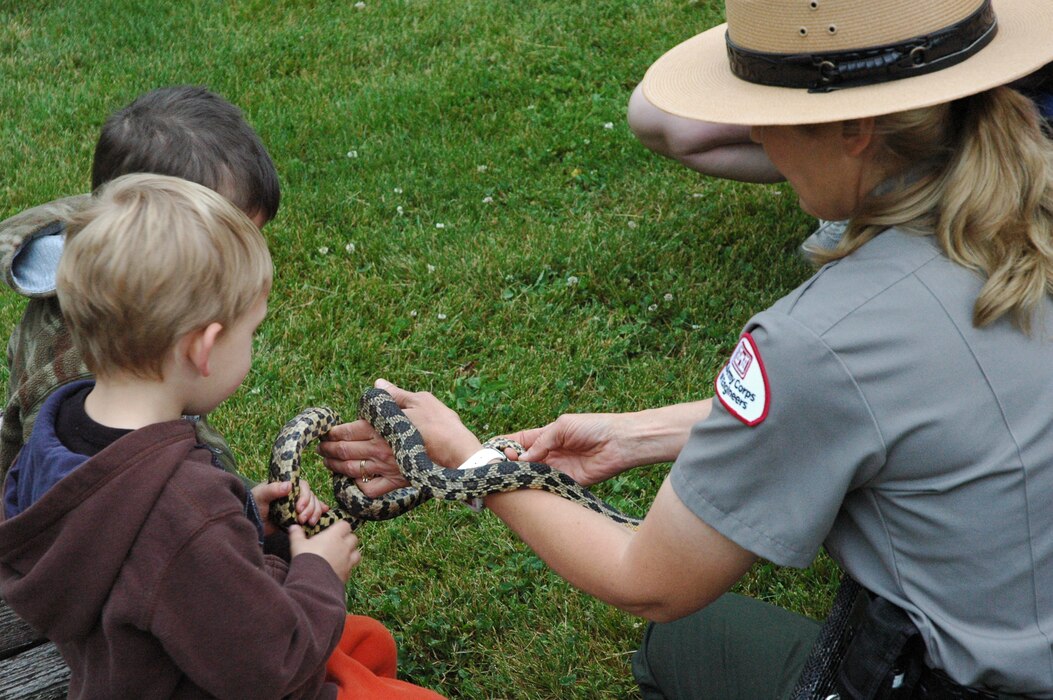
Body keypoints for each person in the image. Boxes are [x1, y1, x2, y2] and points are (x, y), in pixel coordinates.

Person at [319, 0, 1053, 696]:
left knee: (684, 642)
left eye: (768, 117)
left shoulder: (816, 340)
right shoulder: (1021, 223)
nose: (759, 140)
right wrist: (633, 435)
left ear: (853, 127)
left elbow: (653, 581)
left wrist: (468, 460)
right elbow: (886, 401)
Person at [0, 174, 444, 699]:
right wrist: (319, 573)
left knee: (367, 641)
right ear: (203, 348)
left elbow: (150, 560)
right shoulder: (187, 509)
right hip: (233, 678)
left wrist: (244, 518)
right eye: (251, 331)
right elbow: (270, 667)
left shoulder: (54, 437)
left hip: (126, 675)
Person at [0, 85, 326, 530]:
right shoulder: (77, 375)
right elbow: (93, 538)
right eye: (227, 243)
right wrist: (231, 526)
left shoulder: (119, 299)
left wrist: (241, 505)